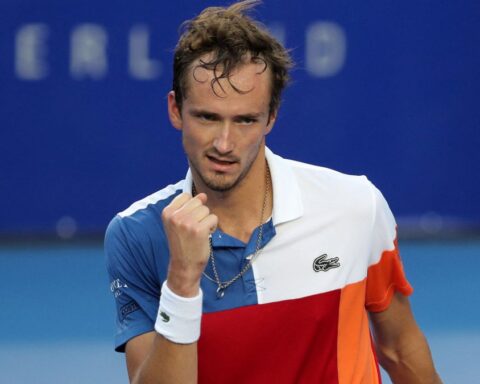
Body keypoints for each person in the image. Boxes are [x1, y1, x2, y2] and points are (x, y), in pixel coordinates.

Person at [105, 1, 442, 383]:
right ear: (175, 110)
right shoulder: (136, 235)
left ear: (272, 116)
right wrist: (182, 281)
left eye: (246, 120)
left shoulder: (355, 206)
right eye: (207, 117)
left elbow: (400, 349)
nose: (225, 143)